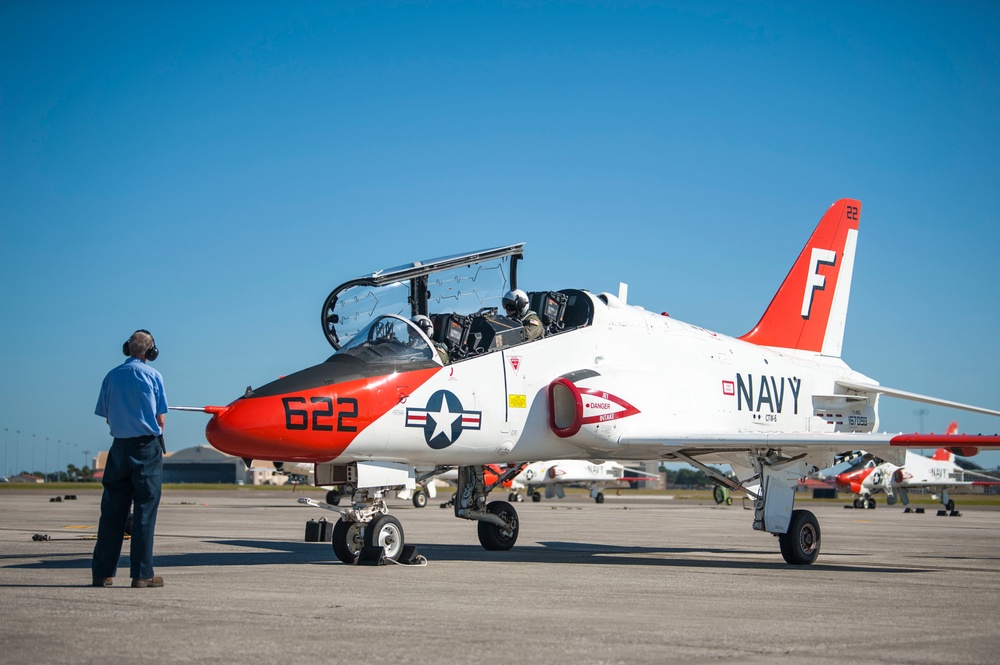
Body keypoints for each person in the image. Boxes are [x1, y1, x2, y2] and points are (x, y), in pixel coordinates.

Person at [92, 329, 168, 589]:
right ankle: (142, 574)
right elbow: (160, 419)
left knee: (112, 512)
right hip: (146, 447)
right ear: (151, 352)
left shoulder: (111, 376)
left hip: (119, 448)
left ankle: (102, 573)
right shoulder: (154, 376)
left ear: (127, 348)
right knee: (145, 510)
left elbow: (107, 416)